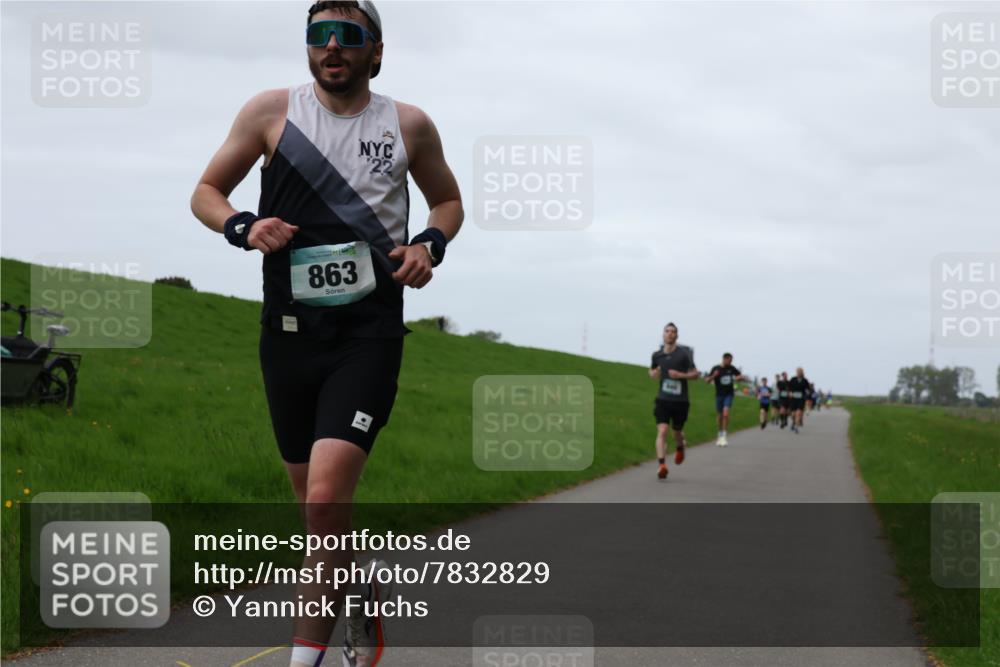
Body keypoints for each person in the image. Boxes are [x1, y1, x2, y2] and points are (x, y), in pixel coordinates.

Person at [190, 3, 463, 665]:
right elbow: (205, 191)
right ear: (308, 48)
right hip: (287, 335)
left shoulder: (408, 126)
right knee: (318, 515)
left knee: (324, 496)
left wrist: (429, 244)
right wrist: (242, 226)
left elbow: (447, 202)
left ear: (376, 51)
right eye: (319, 35)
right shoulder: (270, 113)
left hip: (367, 337)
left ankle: (303, 659)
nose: (332, 46)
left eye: (349, 36)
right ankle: (359, 583)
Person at [649, 323, 699, 479]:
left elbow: (696, 374)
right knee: (662, 430)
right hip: (663, 399)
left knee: (677, 431)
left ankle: (680, 448)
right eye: (667, 331)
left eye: (673, 332)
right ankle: (662, 465)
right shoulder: (657, 355)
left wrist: (680, 375)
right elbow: (652, 370)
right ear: (663, 335)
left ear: (676, 336)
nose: (670, 334)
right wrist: (653, 374)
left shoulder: (684, 354)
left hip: (680, 401)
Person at [705, 353, 747, 446]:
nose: (731, 362)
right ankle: (719, 434)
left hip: (729, 394)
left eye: (731, 361)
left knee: (726, 412)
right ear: (724, 359)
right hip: (719, 395)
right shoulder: (716, 368)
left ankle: (724, 435)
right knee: (719, 416)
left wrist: (739, 377)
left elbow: (740, 376)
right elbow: (707, 380)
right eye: (729, 360)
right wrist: (713, 376)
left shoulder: (731, 368)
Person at [787, 367, 811, 433]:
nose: (799, 373)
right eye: (798, 372)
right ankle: (794, 422)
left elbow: (807, 389)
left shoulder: (805, 380)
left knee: (798, 413)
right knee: (793, 414)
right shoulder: (793, 379)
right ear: (796, 372)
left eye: (800, 372)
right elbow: (789, 387)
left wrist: (808, 393)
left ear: (802, 372)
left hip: (801, 399)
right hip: (793, 399)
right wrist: (790, 393)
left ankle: (796, 428)